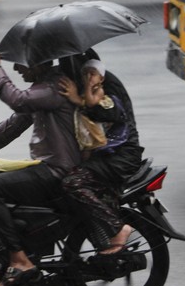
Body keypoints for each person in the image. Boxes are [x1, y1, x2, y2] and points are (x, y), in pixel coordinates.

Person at [0, 50, 80, 286]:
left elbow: (18, 101)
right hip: (48, 167)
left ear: (38, 63)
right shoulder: (42, 89)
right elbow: (14, 123)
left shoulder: (53, 87)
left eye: (20, 65)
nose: (16, 70)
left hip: (57, 171)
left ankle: (20, 259)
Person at [58, 57, 144, 254]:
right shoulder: (90, 83)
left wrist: (78, 97)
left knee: (72, 183)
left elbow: (107, 112)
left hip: (120, 157)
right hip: (106, 156)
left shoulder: (106, 88)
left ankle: (117, 228)